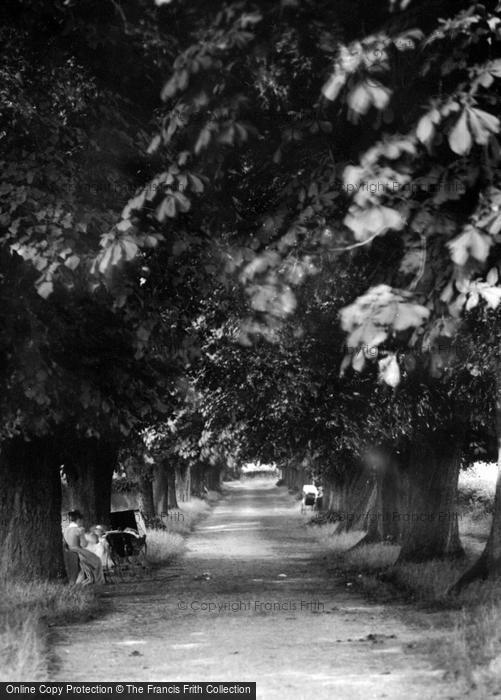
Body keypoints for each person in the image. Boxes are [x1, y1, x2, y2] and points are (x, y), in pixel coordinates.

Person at [63, 510, 104, 585]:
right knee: (98, 561)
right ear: (78, 520)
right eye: (82, 521)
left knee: (86, 568)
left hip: (69, 552)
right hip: (79, 551)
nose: (82, 523)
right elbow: (84, 544)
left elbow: (65, 544)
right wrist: (86, 538)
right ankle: (99, 582)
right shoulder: (79, 530)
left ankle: (89, 580)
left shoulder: (66, 530)